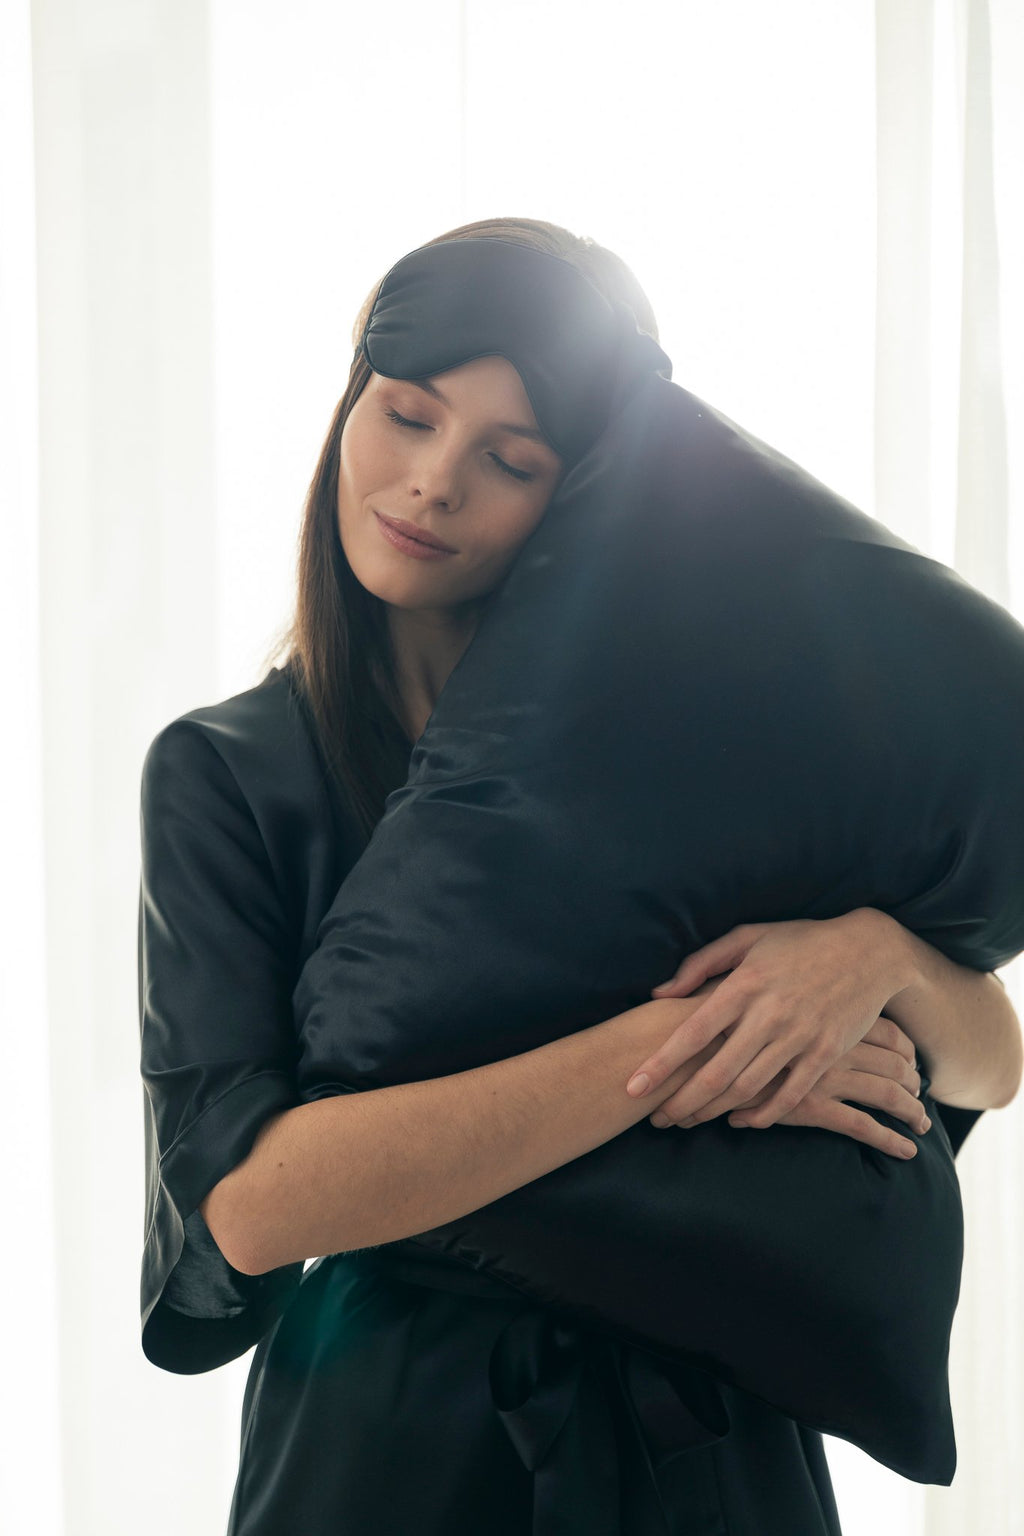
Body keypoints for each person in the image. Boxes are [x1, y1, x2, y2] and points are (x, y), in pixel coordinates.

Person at [138, 215, 1023, 1536]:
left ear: (591, 488)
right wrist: (684, 1046)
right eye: (407, 415)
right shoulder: (229, 772)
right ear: (347, 408)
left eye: (512, 458)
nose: (434, 483)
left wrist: (876, 963)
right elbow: (257, 1206)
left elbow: (988, 1063)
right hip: (394, 1436)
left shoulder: (698, 747)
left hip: (711, 1435)